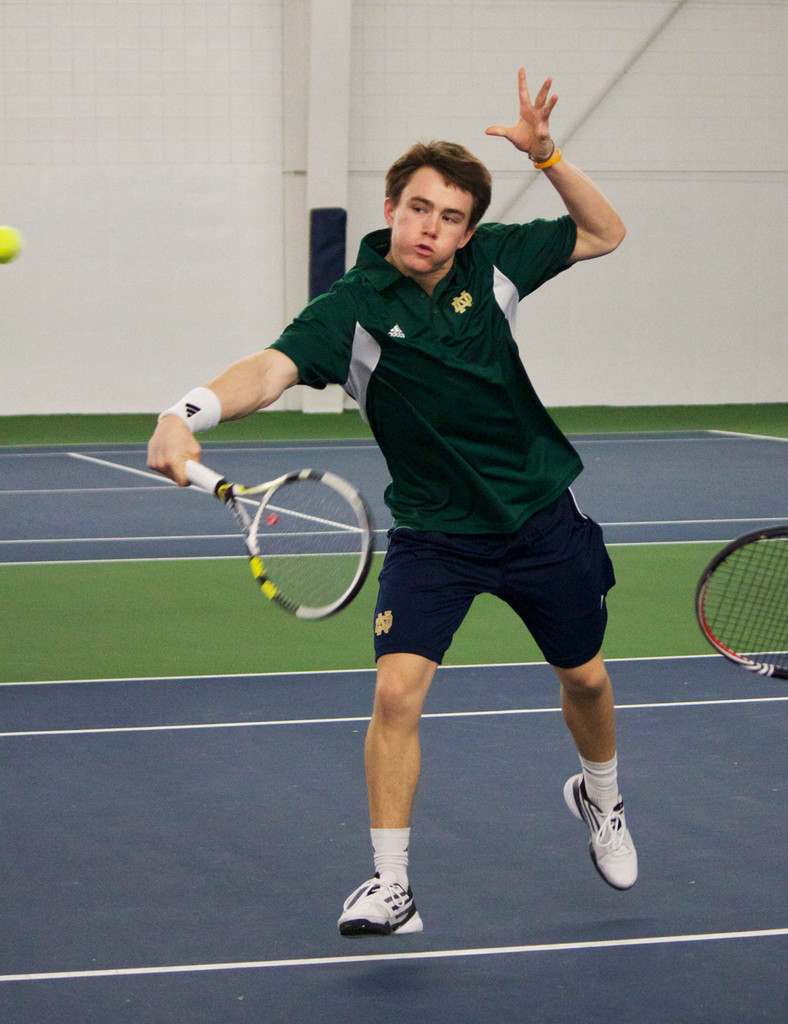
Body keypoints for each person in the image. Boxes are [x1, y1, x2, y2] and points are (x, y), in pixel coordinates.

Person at [148, 67, 638, 937]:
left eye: (451, 216)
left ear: (468, 230)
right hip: (434, 534)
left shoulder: (495, 264)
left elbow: (606, 232)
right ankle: (391, 883)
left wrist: (550, 155)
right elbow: (270, 369)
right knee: (396, 697)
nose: (432, 227)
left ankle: (602, 800)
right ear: (390, 207)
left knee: (587, 678)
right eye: (419, 207)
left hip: (537, 515)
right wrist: (186, 413)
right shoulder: (352, 308)